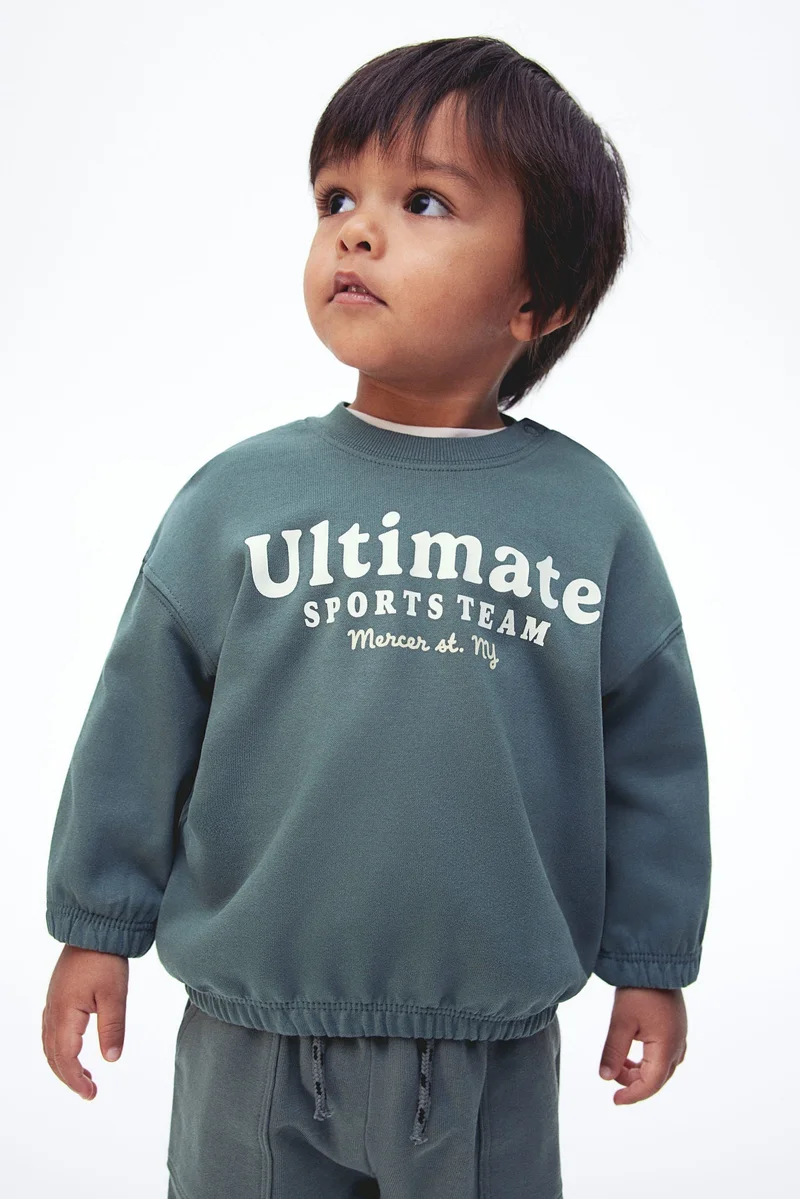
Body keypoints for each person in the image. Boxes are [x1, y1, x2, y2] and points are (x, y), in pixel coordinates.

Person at [41, 35, 712, 1199]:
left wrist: (649, 961)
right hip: (249, 1030)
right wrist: (96, 923)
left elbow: (652, 759)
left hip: (488, 1048)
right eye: (335, 198)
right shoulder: (236, 499)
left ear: (538, 298)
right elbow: (139, 717)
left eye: (423, 201)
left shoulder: (585, 518)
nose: (354, 231)